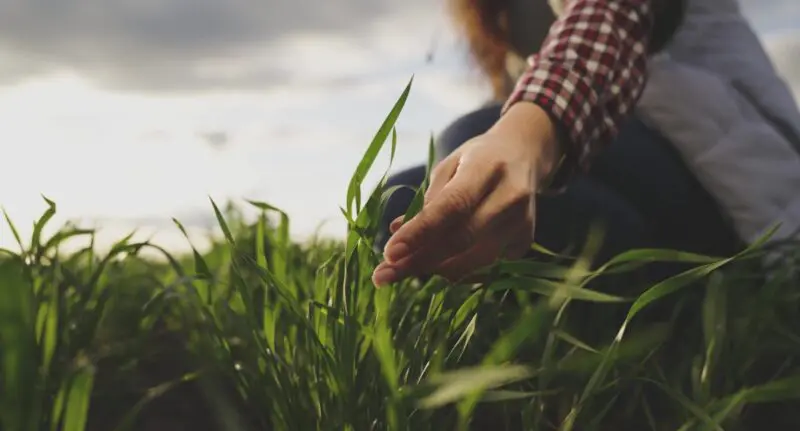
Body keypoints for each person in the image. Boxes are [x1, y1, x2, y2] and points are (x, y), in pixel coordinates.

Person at [372, 0, 800, 287]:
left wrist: (521, 138)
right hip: (613, 164)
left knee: (472, 135)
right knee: (402, 198)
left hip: (726, 176)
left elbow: (610, 15)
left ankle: (687, 298)